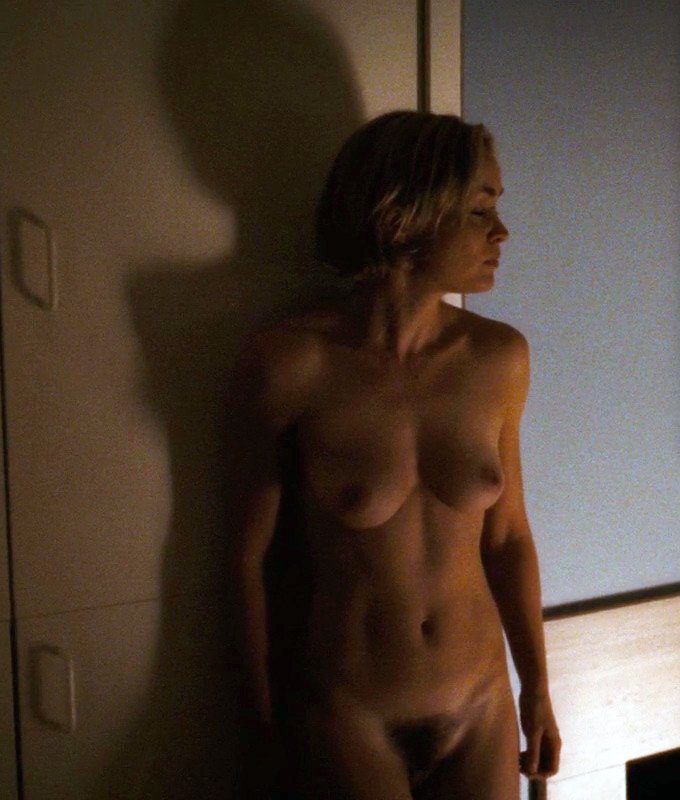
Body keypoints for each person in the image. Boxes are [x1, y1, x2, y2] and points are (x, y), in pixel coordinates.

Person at [225, 110, 560, 797]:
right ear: (409, 213)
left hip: (482, 702)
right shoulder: (290, 364)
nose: (501, 232)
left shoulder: (499, 358)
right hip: (348, 710)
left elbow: (508, 538)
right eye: (479, 209)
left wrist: (537, 688)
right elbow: (247, 561)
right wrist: (257, 727)